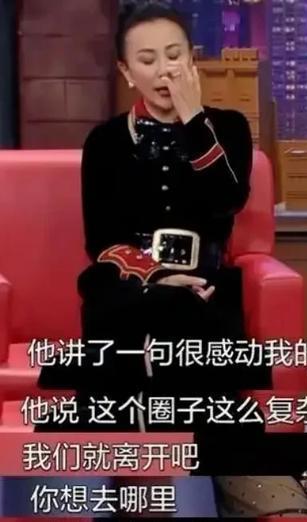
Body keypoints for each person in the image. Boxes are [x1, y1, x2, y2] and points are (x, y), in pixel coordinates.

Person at [37, 0, 270, 432]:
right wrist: (157, 276)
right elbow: (101, 239)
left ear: (192, 60)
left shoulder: (229, 128)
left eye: (174, 55)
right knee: (126, 304)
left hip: (204, 280)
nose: (165, 71)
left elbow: (228, 200)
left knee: (195, 316)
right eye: (147, 60)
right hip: (129, 282)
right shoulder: (105, 141)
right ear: (126, 71)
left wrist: (193, 119)